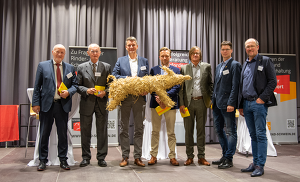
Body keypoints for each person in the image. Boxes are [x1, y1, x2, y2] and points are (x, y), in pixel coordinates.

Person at [32, 44, 78, 171]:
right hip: (46, 105)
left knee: (62, 134)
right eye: (57, 52)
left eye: (62, 52)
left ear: (64, 54)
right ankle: (42, 160)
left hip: (62, 106)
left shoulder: (70, 67)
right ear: (53, 52)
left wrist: (69, 92)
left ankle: (63, 159)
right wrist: (35, 103)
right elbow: (37, 87)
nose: (59, 54)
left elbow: (75, 85)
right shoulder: (43, 66)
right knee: (44, 133)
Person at [238, 38, 277, 177]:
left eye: (252, 46)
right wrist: (241, 105)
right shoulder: (246, 64)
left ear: (257, 47)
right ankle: (254, 163)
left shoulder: (265, 61)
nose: (249, 49)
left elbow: (273, 81)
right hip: (247, 104)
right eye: (247, 47)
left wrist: (262, 98)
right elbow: (242, 86)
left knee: (260, 135)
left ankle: (260, 165)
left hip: (258, 103)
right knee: (253, 135)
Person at [112, 36, 149, 167]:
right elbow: (115, 75)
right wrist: (127, 78)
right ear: (126, 47)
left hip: (139, 98)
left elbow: (147, 79)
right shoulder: (120, 60)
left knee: (139, 128)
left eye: (133, 45)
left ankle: (138, 157)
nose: (131, 47)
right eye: (129, 45)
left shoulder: (144, 61)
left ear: (137, 46)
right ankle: (125, 156)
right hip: (125, 98)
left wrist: (146, 89)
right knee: (124, 128)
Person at [77, 44, 111, 167]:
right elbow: (77, 85)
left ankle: (101, 157)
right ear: (88, 53)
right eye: (92, 51)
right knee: (85, 132)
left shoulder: (106, 67)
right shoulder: (81, 67)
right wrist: (86, 90)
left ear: (100, 52)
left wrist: (105, 92)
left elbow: (111, 85)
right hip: (87, 103)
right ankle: (86, 157)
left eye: (97, 51)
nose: (95, 53)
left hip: (102, 104)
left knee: (102, 132)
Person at [179, 46, 213, 166]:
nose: (195, 55)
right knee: (188, 131)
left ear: (200, 55)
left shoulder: (206, 67)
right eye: (193, 53)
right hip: (187, 104)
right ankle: (189, 156)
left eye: (197, 53)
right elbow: (181, 88)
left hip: (202, 103)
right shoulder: (184, 68)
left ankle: (201, 157)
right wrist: (181, 104)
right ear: (190, 55)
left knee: (201, 131)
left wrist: (210, 99)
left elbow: (210, 84)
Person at [148, 47, 180, 166]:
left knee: (171, 132)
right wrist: (158, 97)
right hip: (156, 104)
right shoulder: (153, 69)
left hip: (170, 104)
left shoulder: (176, 70)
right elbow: (150, 86)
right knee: (155, 131)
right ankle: (153, 156)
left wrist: (165, 97)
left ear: (170, 57)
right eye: (162, 56)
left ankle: (172, 156)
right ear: (159, 57)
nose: (164, 58)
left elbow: (177, 86)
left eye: (167, 56)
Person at [212, 41, 241, 169]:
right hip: (217, 104)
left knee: (231, 131)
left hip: (228, 104)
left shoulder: (235, 65)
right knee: (218, 130)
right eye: (223, 49)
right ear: (220, 51)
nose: (224, 51)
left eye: (227, 49)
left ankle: (229, 158)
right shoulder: (219, 66)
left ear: (231, 50)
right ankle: (224, 155)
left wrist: (231, 103)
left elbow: (236, 86)